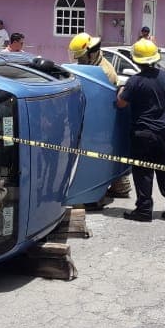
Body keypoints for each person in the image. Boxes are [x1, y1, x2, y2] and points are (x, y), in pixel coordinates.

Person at [115, 39, 165, 223]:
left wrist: (121, 90)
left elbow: (121, 103)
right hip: (162, 132)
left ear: (136, 60)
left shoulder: (134, 81)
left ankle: (144, 209)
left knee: (143, 172)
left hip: (142, 133)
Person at [69, 31, 131, 203]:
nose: (79, 61)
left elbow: (96, 96)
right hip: (100, 116)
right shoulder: (95, 67)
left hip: (101, 118)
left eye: (81, 57)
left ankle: (96, 195)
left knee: (98, 156)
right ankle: (120, 186)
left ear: (92, 53)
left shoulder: (103, 72)